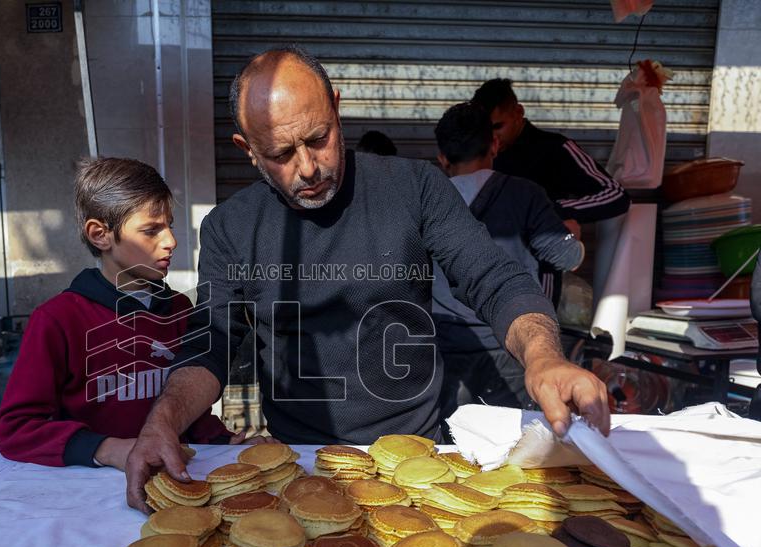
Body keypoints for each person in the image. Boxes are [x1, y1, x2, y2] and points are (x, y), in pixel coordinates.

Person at [125, 47, 610, 512]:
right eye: (281, 153)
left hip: (413, 457)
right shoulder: (230, 227)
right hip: (297, 463)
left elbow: (493, 277)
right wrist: (163, 422)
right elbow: (211, 342)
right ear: (247, 150)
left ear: (336, 108)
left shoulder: (415, 187)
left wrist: (544, 357)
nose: (308, 168)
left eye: (318, 138)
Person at [0, 157, 240, 470]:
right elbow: (14, 429)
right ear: (100, 234)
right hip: (89, 486)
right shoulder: (58, 320)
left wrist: (225, 442)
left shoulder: (178, 309)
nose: (171, 241)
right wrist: (108, 449)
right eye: (151, 230)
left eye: (170, 226)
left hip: (171, 478)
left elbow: (189, 413)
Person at [432, 102, 584, 426]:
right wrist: (573, 234)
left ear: (443, 158)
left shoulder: (427, 198)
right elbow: (565, 257)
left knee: (445, 448)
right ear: (495, 144)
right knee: (510, 444)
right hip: (510, 345)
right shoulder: (523, 194)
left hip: (442, 350)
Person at [471, 78, 630, 301]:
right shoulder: (476, 155)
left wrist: (552, 210)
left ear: (518, 112)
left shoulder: (555, 149)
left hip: (537, 281)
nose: (493, 138)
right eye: (486, 130)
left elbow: (616, 195)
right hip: (485, 278)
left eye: (499, 127)